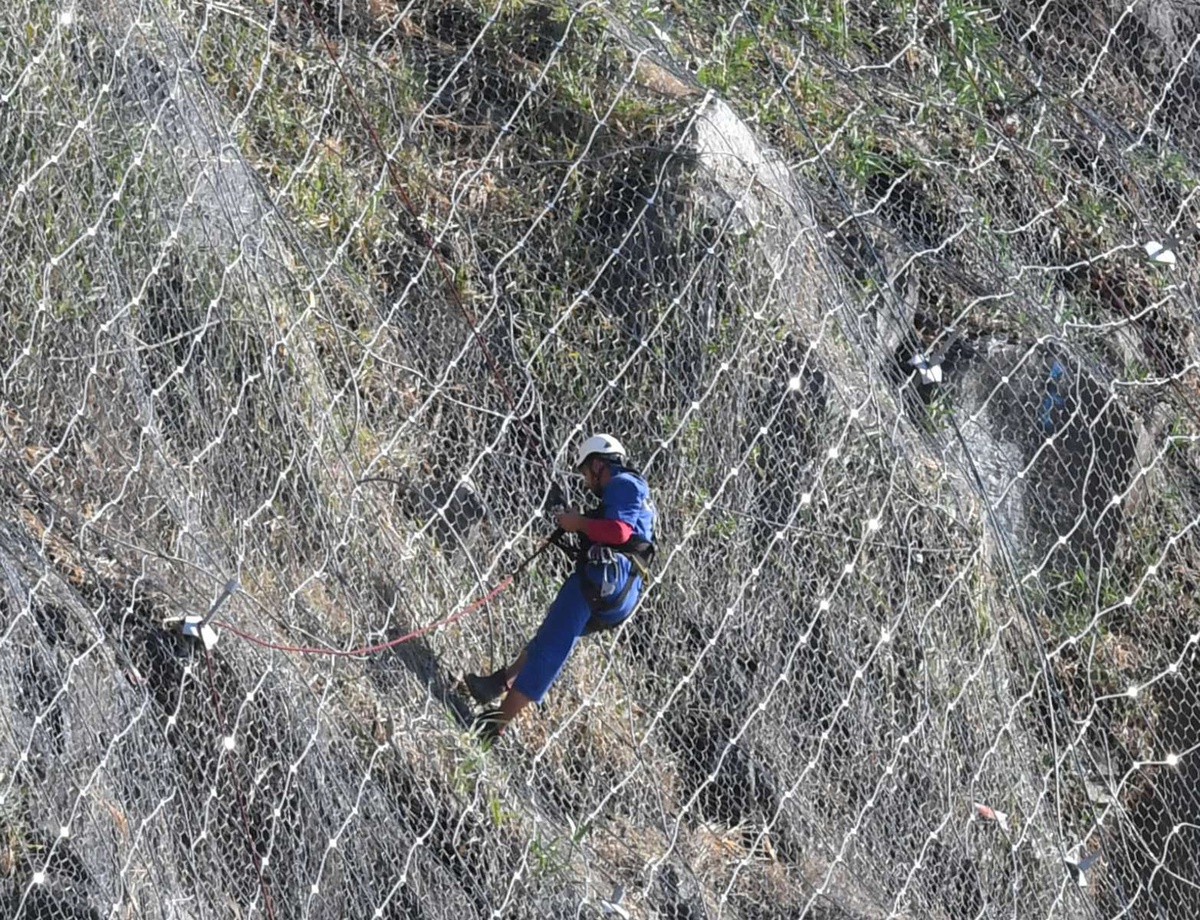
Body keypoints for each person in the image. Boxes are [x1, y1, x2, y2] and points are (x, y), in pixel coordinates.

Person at [464, 434, 656, 743]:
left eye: (585, 472)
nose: (586, 481)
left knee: (552, 646)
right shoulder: (636, 494)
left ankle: (494, 724)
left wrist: (578, 523)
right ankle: (499, 682)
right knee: (552, 633)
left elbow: (619, 532)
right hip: (621, 593)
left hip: (602, 579)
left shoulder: (624, 483)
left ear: (598, 464)